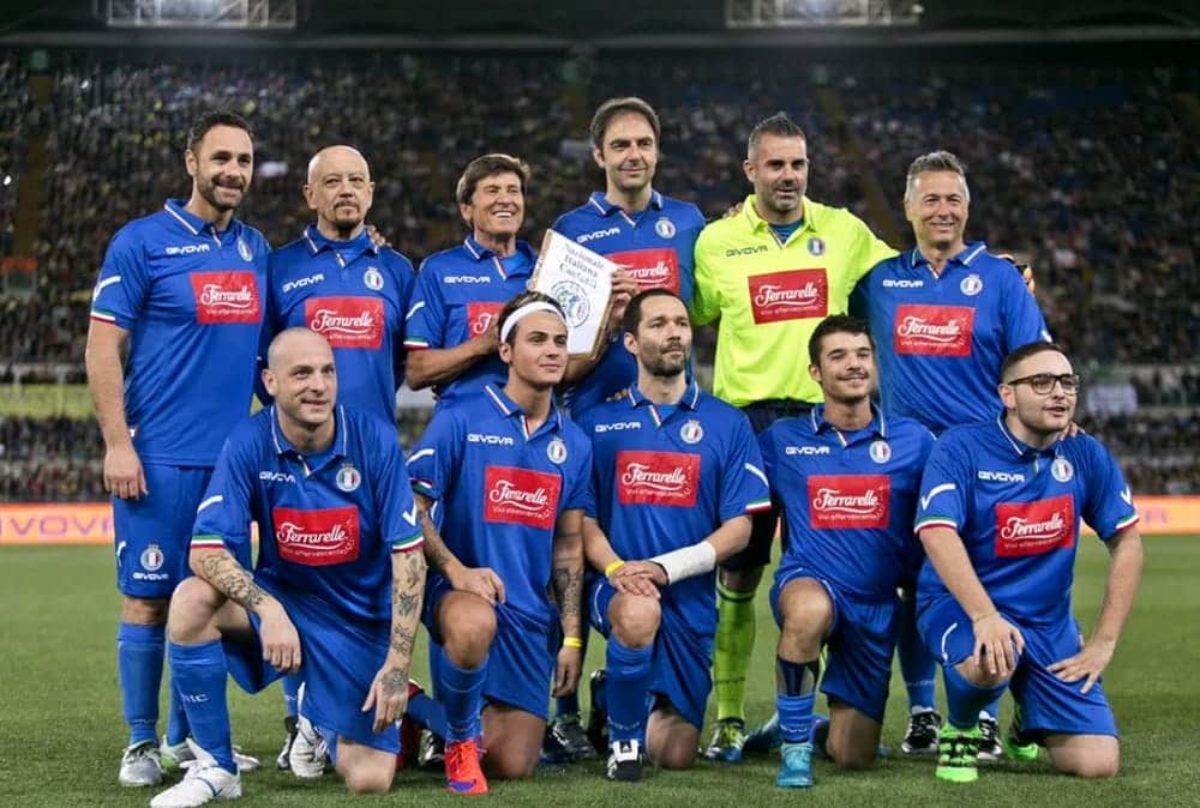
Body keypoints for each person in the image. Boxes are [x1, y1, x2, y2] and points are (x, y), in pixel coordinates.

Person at [690, 111, 897, 761]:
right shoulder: (716, 241)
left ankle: (810, 714)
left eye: (798, 163)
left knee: (834, 574)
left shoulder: (844, 231)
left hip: (822, 427)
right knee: (738, 574)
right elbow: (688, 312)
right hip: (746, 428)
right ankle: (728, 719)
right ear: (750, 170)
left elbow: (907, 279)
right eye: (775, 164)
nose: (788, 175)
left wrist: (986, 263)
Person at [148, 328, 427, 808]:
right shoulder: (249, 441)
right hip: (287, 604)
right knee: (191, 600)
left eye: (327, 371)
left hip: (358, 621)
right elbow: (205, 550)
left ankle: (320, 715)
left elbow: (409, 559)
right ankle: (217, 767)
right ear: (270, 382)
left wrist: (398, 665)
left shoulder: (375, 440)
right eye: (301, 374)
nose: (318, 385)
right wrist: (269, 608)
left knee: (369, 779)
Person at [86, 111, 270, 786]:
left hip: (232, 468)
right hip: (158, 459)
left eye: (243, 160)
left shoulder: (255, 249)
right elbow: (102, 346)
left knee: (213, 601)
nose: (233, 172)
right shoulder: (141, 242)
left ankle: (188, 740)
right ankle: (140, 742)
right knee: (148, 600)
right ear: (192, 162)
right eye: (221, 158)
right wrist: (117, 443)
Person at [853, 150, 1052, 757]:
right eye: (932, 199)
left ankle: (983, 714)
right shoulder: (878, 281)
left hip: (985, 464)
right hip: (905, 463)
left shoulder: (1001, 280)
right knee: (909, 588)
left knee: (984, 589)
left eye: (954, 199)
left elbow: (1034, 361)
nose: (943, 210)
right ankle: (922, 711)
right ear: (908, 206)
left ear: (968, 208)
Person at [545, 96, 703, 760]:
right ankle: (563, 712)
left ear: (656, 151)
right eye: (620, 145)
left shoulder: (690, 223)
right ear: (600, 155)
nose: (633, 155)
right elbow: (554, 334)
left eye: (643, 143)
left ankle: (633, 689)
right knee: (571, 562)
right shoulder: (571, 231)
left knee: (651, 562)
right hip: (589, 420)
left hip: (665, 422)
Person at [914, 341, 1142, 783]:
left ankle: (1029, 717)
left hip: (1047, 624)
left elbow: (1128, 542)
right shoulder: (962, 447)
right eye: (1041, 382)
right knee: (990, 659)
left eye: (1067, 382)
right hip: (961, 608)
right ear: (1007, 395)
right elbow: (936, 532)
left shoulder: (1084, 453)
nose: (1059, 392)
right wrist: (985, 617)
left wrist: (1103, 642)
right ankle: (962, 727)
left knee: (1097, 764)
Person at [263, 145, 417, 766]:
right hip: (298, 460)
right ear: (310, 195)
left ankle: (349, 710)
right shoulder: (279, 267)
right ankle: (301, 719)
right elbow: (264, 367)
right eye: (331, 181)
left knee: (371, 588)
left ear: (371, 192)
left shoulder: (398, 269)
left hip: (373, 459)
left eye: (356, 180)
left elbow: (404, 364)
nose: (345, 190)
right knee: (299, 582)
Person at [576, 288, 770, 780]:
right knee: (638, 613)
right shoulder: (596, 424)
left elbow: (739, 529)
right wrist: (619, 570)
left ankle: (611, 692)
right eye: (659, 324)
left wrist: (665, 569)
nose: (674, 333)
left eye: (681, 323)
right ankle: (623, 743)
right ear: (631, 342)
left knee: (676, 753)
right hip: (615, 584)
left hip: (688, 598)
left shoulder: (728, 423)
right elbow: (584, 521)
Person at [406, 291, 592, 793]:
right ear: (506, 351)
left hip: (529, 614)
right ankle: (459, 740)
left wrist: (571, 637)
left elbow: (568, 547)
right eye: (537, 339)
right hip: (462, 597)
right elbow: (412, 509)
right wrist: (456, 571)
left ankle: (414, 707)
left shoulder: (575, 444)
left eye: (560, 341)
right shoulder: (461, 418)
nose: (552, 350)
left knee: (512, 764)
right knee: (473, 623)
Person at [758, 315, 934, 788]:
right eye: (838, 356)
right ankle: (795, 749)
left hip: (876, 604)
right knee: (808, 611)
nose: (853, 365)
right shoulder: (782, 440)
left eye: (862, 354)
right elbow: (728, 475)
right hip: (809, 580)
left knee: (854, 755)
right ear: (815, 372)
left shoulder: (915, 441)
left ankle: (811, 729)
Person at [403, 154, 539, 410]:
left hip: (532, 425)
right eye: (492, 190)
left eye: (513, 190)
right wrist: (482, 345)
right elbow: (417, 371)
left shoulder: (546, 271)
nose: (505, 199)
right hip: (466, 425)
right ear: (467, 209)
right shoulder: (439, 270)